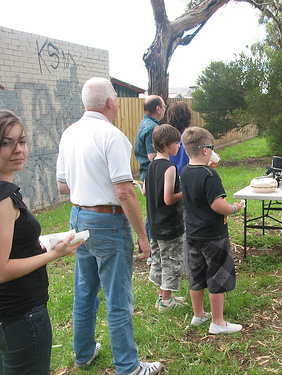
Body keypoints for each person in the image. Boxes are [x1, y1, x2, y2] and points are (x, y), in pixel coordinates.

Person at [56, 77, 162, 375]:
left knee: (85, 290)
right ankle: (128, 366)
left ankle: (83, 354)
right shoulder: (112, 136)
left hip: (78, 218)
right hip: (108, 222)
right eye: (115, 98)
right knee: (118, 297)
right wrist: (143, 236)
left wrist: (86, 181)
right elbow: (124, 192)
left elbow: (62, 186)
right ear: (109, 103)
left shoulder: (69, 134)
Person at [0, 110, 84, 374]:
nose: (18, 149)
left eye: (22, 141)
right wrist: (53, 254)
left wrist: (39, 244)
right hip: (19, 315)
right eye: (6, 142)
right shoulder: (3, 199)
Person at [180, 127, 245, 335]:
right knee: (218, 275)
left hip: (192, 234)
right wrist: (235, 208)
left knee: (196, 274)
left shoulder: (185, 171)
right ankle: (218, 322)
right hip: (213, 236)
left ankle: (198, 315)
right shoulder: (210, 176)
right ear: (206, 150)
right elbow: (218, 205)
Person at [144, 124, 186, 311]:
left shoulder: (151, 164)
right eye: (177, 143)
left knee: (159, 259)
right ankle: (166, 302)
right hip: (169, 226)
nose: (179, 147)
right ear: (166, 144)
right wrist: (185, 192)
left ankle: (162, 297)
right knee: (170, 261)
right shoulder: (170, 168)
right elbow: (169, 198)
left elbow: (145, 191)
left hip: (154, 225)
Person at [134, 95, 167, 182]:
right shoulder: (152, 128)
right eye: (164, 106)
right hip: (152, 176)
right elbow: (152, 156)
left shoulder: (145, 123)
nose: (165, 109)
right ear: (158, 108)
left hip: (145, 173)